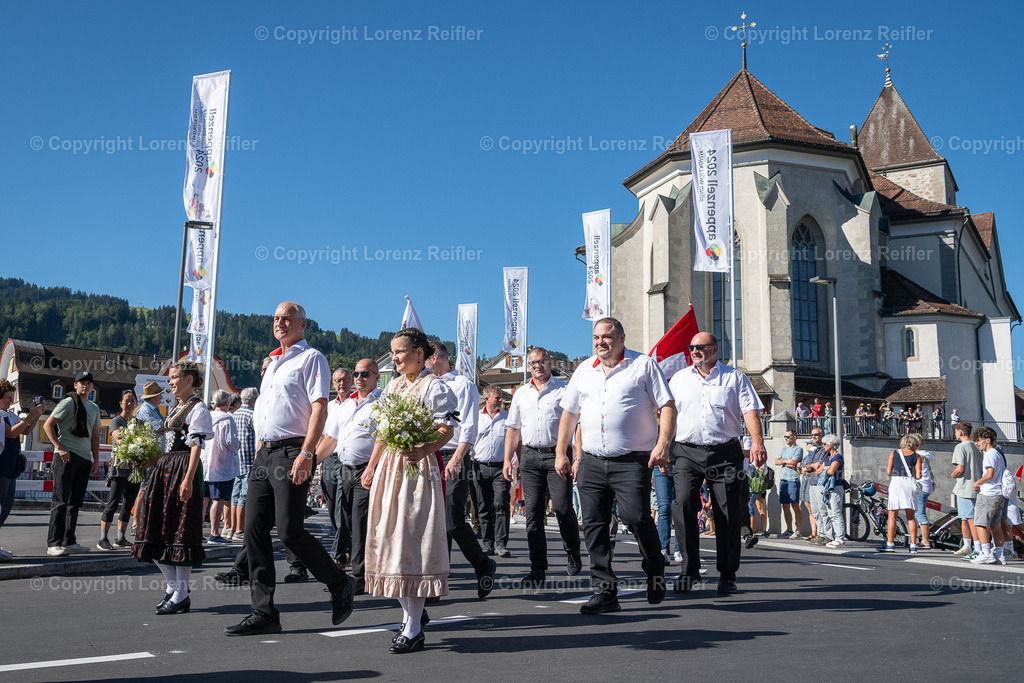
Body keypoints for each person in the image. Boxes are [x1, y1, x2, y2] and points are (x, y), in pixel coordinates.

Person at [225, 302, 354, 637]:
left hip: (293, 451)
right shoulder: (273, 364)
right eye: (276, 319)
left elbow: (319, 409)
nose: (280, 323)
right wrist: (259, 452)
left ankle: (340, 583)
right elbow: (267, 412)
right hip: (265, 454)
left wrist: (307, 453)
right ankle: (264, 612)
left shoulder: (312, 359)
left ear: (302, 324)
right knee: (253, 531)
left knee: (289, 531)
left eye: (287, 319)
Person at [555, 317, 675, 613]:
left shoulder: (643, 365)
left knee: (635, 518)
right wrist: (562, 452)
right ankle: (605, 592)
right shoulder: (584, 370)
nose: (600, 342)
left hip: (632, 460)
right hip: (593, 461)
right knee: (594, 526)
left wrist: (663, 445)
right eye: (596, 337)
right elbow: (570, 414)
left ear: (621, 337)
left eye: (606, 337)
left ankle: (655, 564)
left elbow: (668, 405)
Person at [360, 328, 457, 654]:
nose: (396, 358)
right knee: (390, 542)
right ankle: (411, 616)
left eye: (401, 352)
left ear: (419, 353)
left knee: (411, 542)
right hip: (390, 470)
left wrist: (423, 449)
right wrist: (372, 466)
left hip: (417, 470)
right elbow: (382, 434)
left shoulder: (434, 387)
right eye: (394, 352)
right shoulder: (394, 387)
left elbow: (447, 429)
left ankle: (413, 627)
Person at [669, 331, 765, 595]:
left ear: (714, 349)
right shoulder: (678, 379)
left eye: (700, 347)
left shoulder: (734, 378)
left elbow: (749, 410)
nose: (694, 351)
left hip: (725, 453)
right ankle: (688, 572)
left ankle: (727, 573)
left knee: (727, 513)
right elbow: (668, 414)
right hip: (687, 452)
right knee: (684, 505)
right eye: (691, 347)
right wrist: (662, 446)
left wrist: (757, 441)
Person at [131, 360, 213, 615]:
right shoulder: (177, 408)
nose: (171, 383)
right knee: (154, 527)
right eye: (171, 378)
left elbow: (196, 447)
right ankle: (174, 588)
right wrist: (150, 461)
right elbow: (169, 444)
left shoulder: (198, 409)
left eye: (175, 377)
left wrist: (188, 479)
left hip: (183, 470)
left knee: (181, 529)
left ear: (189, 380)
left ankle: (180, 593)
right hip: (165, 469)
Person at [503, 346, 582, 587]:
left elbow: (576, 423)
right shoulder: (520, 394)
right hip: (529, 457)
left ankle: (572, 552)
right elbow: (513, 428)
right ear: (528, 366)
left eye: (542, 361)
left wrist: (576, 455)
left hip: (557, 456)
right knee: (532, 516)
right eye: (533, 362)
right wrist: (508, 459)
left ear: (550, 363)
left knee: (562, 508)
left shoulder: (564, 390)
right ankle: (538, 568)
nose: (537, 365)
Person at [425, 341, 496, 598]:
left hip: (453, 454)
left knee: (452, 521)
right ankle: (436, 578)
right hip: (428, 455)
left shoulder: (462, 385)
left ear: (434, 358)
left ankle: (482, 563)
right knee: (431, 521)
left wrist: (457, 458)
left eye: (423, 358)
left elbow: (468, 426)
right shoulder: (425, 385)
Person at [316, 358, 381, 594]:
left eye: (365, 374)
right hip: (343, 468)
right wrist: (310, 462)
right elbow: (330, 439)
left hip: (367, 469)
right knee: (342, 518)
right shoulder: (344, 405)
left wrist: (373, 467)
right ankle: (342, 573)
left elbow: (383, 440)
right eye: (357, 374)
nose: (359, 378)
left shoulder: (382, 403)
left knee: (359, 520)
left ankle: (361, 576)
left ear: (376, 377)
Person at [43, 371, 102, 556]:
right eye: (81, 382)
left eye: (89, 383)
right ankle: (53, 543)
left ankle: (69, 541)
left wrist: (96, 459)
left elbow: (94, 436)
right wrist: (59, 447)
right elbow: (48, 425)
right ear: (75, 385)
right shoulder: (68, 402)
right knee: (60, 500)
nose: (85, 385)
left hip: (84, 458)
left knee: (75, 502)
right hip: (66, 455)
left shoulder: (94, 408)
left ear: (92, 387)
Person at [0, 379, 45, 560]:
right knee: (0, 506)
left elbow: (25, 430)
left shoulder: (9, 415)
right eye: (8, 397)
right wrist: (29, 416)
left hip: (11, 466)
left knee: (6, 507)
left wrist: (35, 416)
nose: (11, 401)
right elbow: (10, 432)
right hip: (1, 465)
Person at [472, 387, 512, 558]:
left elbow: (515, 440)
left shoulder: (507, 418)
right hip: (479, 466)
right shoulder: (476, 417)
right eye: (497, 397)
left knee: (501, 504)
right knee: (483, 506)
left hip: (500, 467)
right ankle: (487, 543)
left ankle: (501, 544)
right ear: (487, 399)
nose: (500, 400)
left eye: (501, 397)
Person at [100, 390, 142, 550]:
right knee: (112, 503)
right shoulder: (116, 421)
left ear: (136, 403)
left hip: (136, 468)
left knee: (128, 503)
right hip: (120, 466)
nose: (130, 403)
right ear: (120, 403)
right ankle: (103, 538)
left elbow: (143, 443)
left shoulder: (138, 423)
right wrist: (139, 444)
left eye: (132, 400)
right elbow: (120, 439)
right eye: (126, 400)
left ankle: (120, 537)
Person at [320, 368, 353, 556]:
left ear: (351, 381)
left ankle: (338, 554)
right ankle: (346, 543)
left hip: (345, 461)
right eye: (338, 380)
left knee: (342, 508)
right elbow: (322, 434)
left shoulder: (356, 404)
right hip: (328, 461)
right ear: (333, 384)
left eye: (346, 379)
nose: (342, 384)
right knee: (332, 507)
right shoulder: (329, 406)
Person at [201, 390, 240, 545]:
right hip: (220, 464)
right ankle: (215, 533)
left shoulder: (207, 416)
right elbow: (230, 442)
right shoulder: (228, 419)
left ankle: (197, 532)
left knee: (204, 499)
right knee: (218, 499)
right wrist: (239, 444)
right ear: (226, 403)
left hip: (204, 463)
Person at [877, 433, 922, 553]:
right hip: (909, 484)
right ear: (913, 444)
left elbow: (888, 472)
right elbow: (918, 475)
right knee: (911, 517)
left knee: (892, 515)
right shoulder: (917, 456)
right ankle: (913, 546)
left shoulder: (893, 453)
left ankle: (890, 544)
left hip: (896, 483)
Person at [970, 426, 1008, 565]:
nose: (977, 443)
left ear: (988, 440)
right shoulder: (998, 453)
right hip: (998, 493)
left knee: (980, 523)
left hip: (989, 493)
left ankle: (986, 553)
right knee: (995, 525)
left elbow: (989, 475)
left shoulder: (989, 454)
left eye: (979, 440)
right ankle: (999, 555)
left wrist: (977, 482)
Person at [228, 387, 258, 543]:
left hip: (235, 461)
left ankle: (231, 528)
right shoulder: (252, 415)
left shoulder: (234, 414)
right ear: (254, 400)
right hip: (248, 460)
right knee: (244, 497)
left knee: (235, 495)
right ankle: (239, 529)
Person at [950, 421, 983, 558]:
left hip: (965, 487)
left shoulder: (960, 447)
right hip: (977, 486)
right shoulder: (977, 446)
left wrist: (952, 475)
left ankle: (975, 547)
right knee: (966, 518)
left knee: (969, 519)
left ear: (961, 432)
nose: (955, 434)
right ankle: (968, 546)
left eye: (956, 432)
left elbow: (960, 468)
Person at [814, 434, 846, 548]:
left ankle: (840, 538)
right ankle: (836, 537)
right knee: (831, 513)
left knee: (836, 513)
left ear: (831, 445)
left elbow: (831, 471)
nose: (823, 446)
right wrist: (824, 468)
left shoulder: (838, 457)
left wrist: (824, 468)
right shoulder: (828, 458)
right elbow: (818, 472)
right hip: (827, 488)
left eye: (824, 444)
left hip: (835, 487)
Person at [800, 428, 829, 546]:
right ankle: (820, 535)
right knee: (816, 511)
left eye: (816, 434)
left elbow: (818, 466)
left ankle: (826, 535)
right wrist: (811, 466)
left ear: (822, 435)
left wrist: (811, 466)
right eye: (812, 435)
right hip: (812, 482)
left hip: (820, 483)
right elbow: (807, 466)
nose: (813, 436)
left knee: (823, 511)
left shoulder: (825, 449)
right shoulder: (815, 450)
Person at [775, 430, 804, 539]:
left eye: (788, 436)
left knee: (795, 505)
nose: (786, 438)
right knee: (785, 505)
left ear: (794, 437)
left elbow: (793, 462)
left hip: (793, 480)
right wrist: (785, 462)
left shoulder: (798, 449)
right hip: (783, 480)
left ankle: (799, 531)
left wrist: (784, 461)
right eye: (785, 436)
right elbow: (776, 461)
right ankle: (789, 530)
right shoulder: (784, 449)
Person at [914, 445, 935, 549]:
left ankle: (925, 540)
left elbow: (916, 474)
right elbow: (930, 471)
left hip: (920, 487)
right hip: (926, 486)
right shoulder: (925, 455)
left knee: (920, 513)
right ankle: (924, 538)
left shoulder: (918, 456)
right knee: (920, 512)